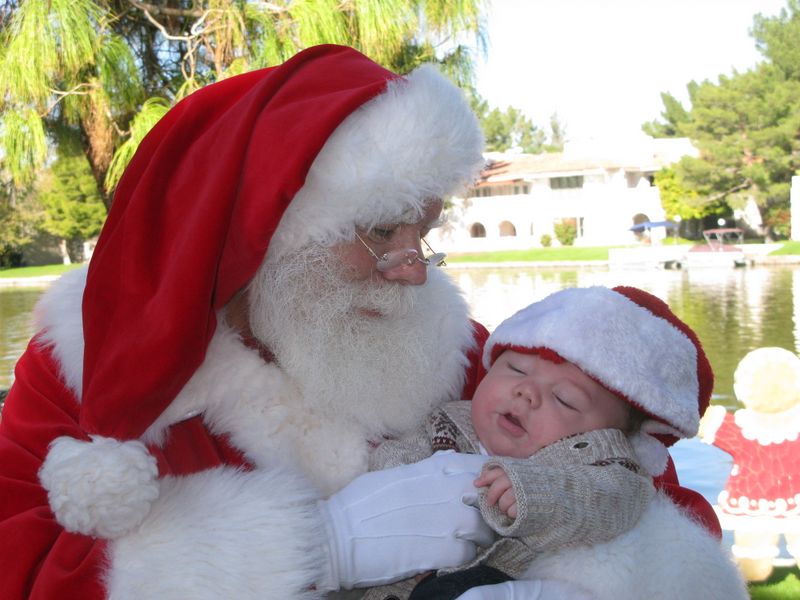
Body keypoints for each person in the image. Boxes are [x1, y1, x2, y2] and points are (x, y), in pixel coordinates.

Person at [0, 44, 719, 599]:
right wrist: (313, 547)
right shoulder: (78, 365)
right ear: (268, 231)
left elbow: (654, 490)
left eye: (424, 231)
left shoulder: (455, 348)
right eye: (378, 229)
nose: (413, 268)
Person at [363, 286, 749, 600]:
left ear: (608, 435)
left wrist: (535, 493)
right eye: (515, 369)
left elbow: (613, 500)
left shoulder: (601, 464)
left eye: (565, 398)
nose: (526, 393)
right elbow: (389, 473)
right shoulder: (444, 421)